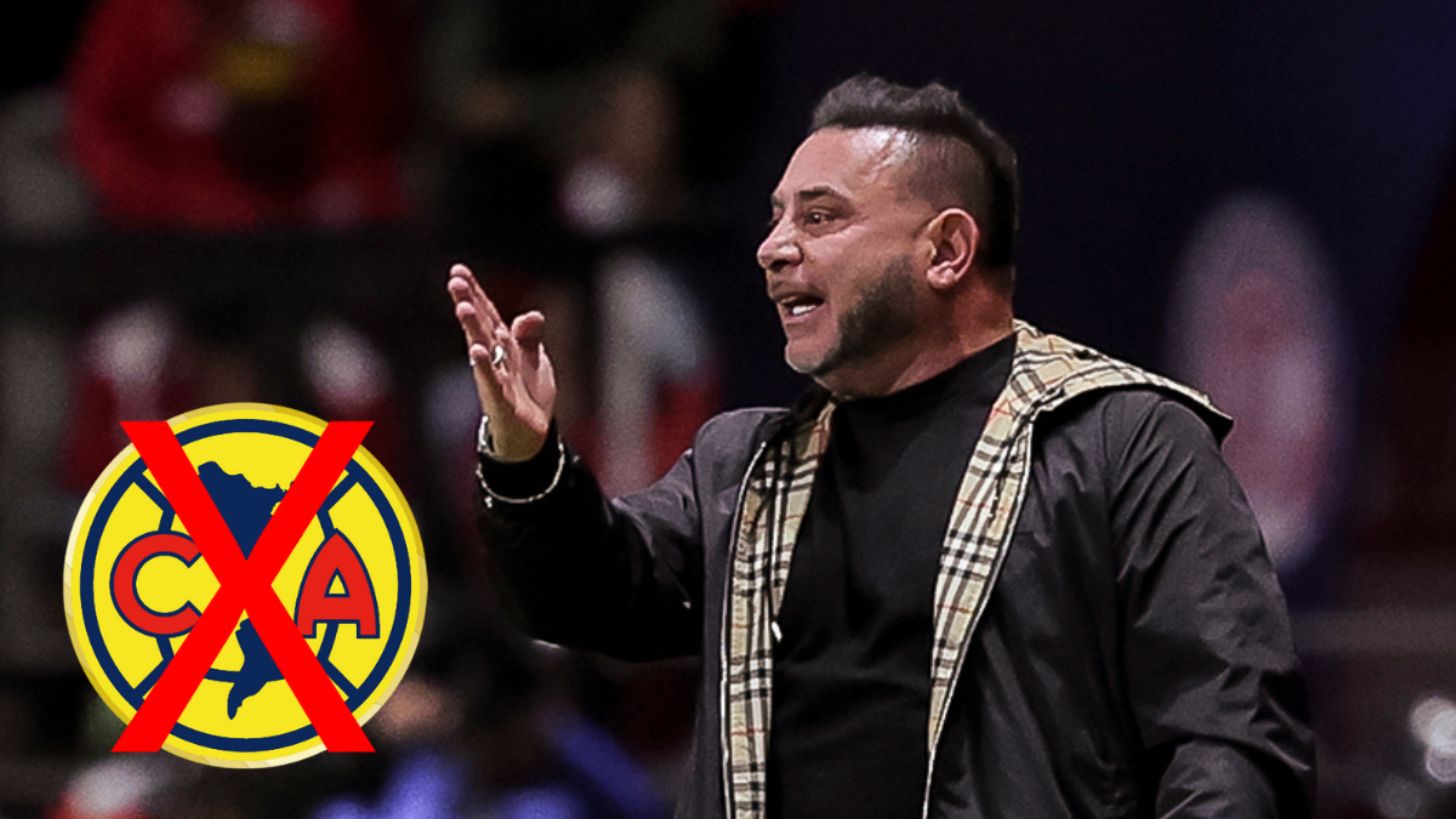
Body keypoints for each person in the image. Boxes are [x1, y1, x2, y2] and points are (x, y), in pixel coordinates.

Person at [446, 74, 1316, 818]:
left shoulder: (1124, 442)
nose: (773, 247)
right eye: (776, 218)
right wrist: (525, 458)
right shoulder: (743, 468)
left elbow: (1229, 734)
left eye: (820, 217)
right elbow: (583, 597)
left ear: (946, 250)